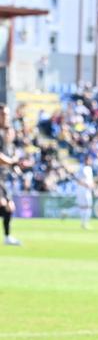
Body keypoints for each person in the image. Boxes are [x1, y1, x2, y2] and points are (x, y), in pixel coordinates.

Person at [0, 105, 20, 246]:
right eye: (3, 114)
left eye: (6, 114)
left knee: (9, 207)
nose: (5, 117)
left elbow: (12, 155)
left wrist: (15, 165)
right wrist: (12, 162)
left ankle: (7, 237)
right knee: (3, 204)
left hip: (3, 177)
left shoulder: (7, 134)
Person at [74, 156, 95, 230]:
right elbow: (77, 179)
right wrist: (86, 185)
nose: (90, 161)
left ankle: (84, 223)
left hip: (87, 190)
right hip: (83, 189)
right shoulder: (82, 168)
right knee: (86, 206)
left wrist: (92, 185)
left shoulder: (89, 169)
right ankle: (84, 223)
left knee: (85, 207)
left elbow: (90, 181)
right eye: (89, 160)